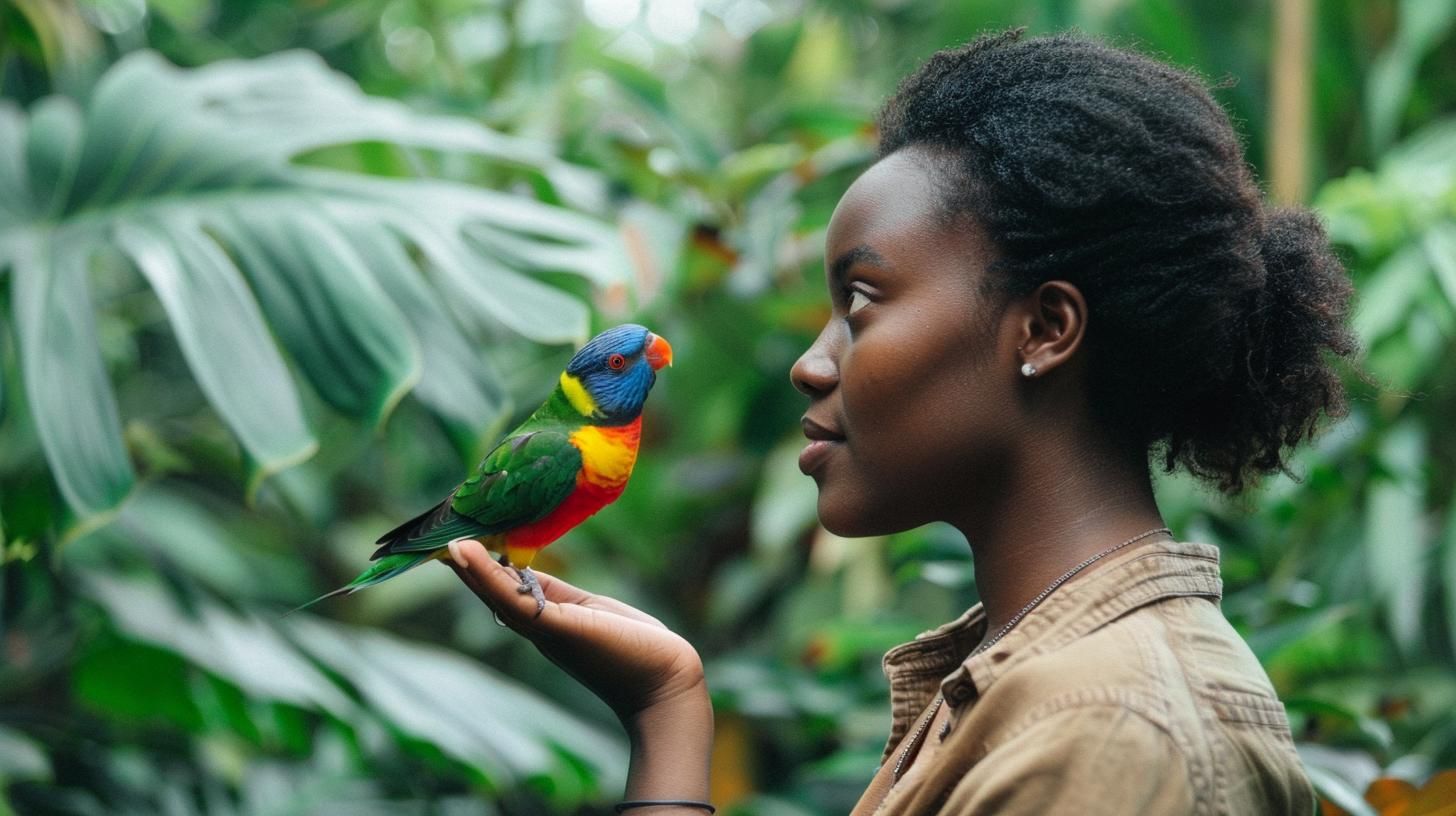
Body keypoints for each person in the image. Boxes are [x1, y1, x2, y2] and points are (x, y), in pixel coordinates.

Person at [444, 28, 1356, 815]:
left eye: (862, 299)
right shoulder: (1030, 684)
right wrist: (667, 705)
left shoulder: (1112, 733)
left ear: (1043, 330)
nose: (811, 362)